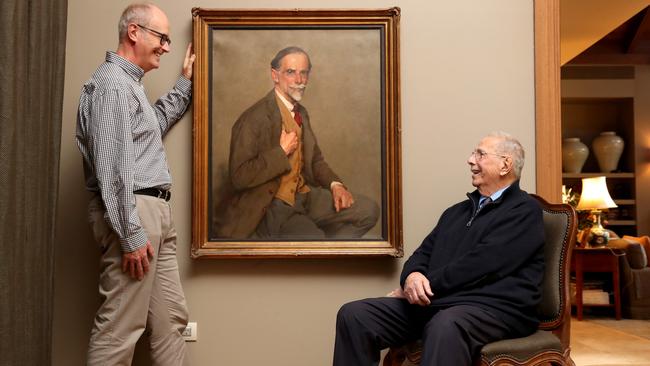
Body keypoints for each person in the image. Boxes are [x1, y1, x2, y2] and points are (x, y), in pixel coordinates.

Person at [333, 132, 545, 366]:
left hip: (496, 309)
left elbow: (481, 265)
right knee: (355, 315)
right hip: (441, 302)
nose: (470, 160)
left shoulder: (525, 211)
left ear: (506, 165)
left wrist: (422, 289)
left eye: (480, 154)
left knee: (445, 325)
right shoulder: (455, 212)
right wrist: (411, 278)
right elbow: (423, 254)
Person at [75, 3, 195, 364]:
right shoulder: (112, 85)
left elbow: (150, 129)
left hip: (153, 211)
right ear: (134, 32)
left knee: (170, 321)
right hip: (135, 213)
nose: (167, 47)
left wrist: (185, 84)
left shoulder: (128, 85)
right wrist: (130, 233)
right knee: (120, 329)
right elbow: (112, 168)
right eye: (162, 38)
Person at [213, 46, 379, 240]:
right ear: (275, 75)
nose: (299, 80)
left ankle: (328, 247)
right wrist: (281, 151)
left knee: (369, 211)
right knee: (316, 244)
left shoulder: (302, 113)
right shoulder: (253, 118)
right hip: (274, 204)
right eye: (291, 72)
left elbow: (315, 161)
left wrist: (335, 185)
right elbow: (239, 177)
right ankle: (322, 248)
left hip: (305, 196)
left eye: (304, 73)